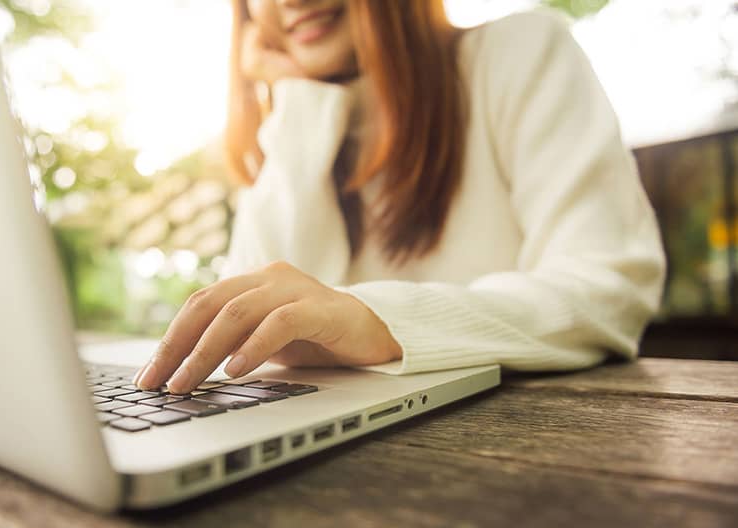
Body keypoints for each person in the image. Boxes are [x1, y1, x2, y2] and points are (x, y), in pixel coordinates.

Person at [134, 0, 666, 395]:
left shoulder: (521, 52)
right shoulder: (299, 128)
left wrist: (379, 321)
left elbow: (608, 287)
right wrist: (297, 100)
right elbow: (256, 340)